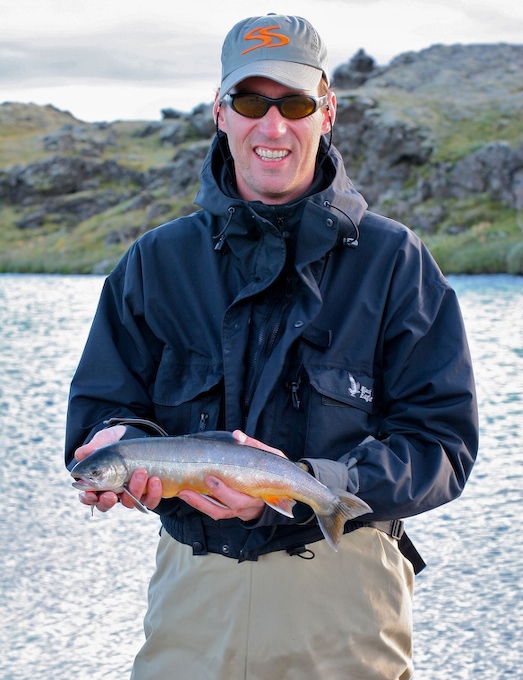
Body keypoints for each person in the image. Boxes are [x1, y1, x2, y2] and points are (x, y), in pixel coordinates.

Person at [65, 13, 478, 680]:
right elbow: (102, 411)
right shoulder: (154, 263)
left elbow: (442, 447)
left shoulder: (395, 263)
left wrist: (316, 483)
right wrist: (113, 441)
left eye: (295, 104)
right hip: (192, 603)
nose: (273, 126)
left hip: (346, 600)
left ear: (327, 112)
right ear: (220, 113)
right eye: (252, 102)